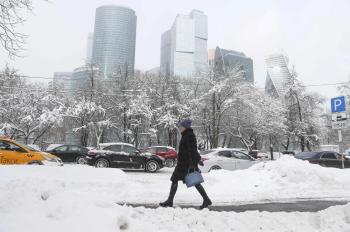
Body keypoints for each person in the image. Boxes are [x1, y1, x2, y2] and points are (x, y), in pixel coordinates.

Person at [159, 119, 212, 209]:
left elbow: (193, 150)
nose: (179, 128)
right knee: (179, 180)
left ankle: (170, 201)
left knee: (191, 181)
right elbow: (192, 150)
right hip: (183, 163)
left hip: (185, 164)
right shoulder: (186, 135)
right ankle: (170, 201)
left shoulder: (189, 135)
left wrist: (194, 163)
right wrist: (197, 159)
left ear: (185, 127)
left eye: (181, 126)